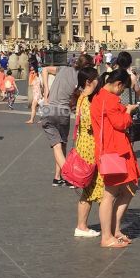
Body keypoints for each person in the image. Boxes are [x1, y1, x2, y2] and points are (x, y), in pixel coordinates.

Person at [90, 68, 140, 247]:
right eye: (123, 89)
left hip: (114, 149)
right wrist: (128, 111)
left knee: (129, 188)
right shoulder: (109, 99)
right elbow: (120, 123)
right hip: (114, 150)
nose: (123, 92)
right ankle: (107, 236)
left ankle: (115, 230)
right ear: (118, 84)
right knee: (110, 194)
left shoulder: (100, 97)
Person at [41, 56, 83, 186]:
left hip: (48, 110)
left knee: (58, 145)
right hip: (63, 112)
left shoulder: (62, 69)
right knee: (61, 145)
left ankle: (57, 177)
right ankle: (69, 175)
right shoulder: (79, 78)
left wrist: (46, 89)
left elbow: (45, 69)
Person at [72, 69, 103, 239]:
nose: (98, 80)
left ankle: (82, 225)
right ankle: (82, 226)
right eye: (95, 78)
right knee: (92, 187)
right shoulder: (87, 101)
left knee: (89, 188)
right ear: (88, 82)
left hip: (84, 143)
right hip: (89, 145)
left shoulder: (82, 97)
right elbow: (91, 123)